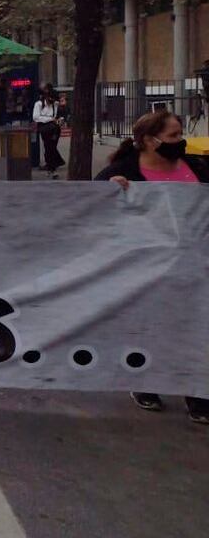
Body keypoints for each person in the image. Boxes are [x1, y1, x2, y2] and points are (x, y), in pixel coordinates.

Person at [95, 110, 209, 425]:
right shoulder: (123, 172)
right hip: (145, 268)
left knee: (197, 329)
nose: (180, 141)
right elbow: (90, 211)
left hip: (194, 267)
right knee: (153, 327)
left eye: (179, 133)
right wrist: (110, 194)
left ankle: (197, 391)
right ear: (149, 140)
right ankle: (148, 382)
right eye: (173, 135)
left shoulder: (197, 169)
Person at [33, 84, 64, 178]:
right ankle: (52, 168)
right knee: (48, 147)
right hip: (45, 129)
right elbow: (36, 117)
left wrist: (59, 120)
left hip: (55, 129)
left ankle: (52, 167)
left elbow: (59, 115)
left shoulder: (55, 105)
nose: (52, 101)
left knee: (52, 147)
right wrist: (50, 119)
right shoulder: (38, 104)